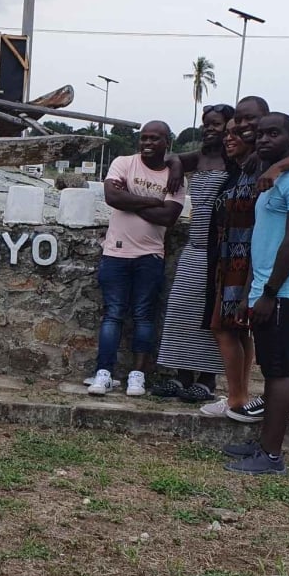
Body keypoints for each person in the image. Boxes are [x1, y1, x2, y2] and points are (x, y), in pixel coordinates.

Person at [226, 111, 289, 476]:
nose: (265, 139)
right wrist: (250, 292)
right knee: (272, 370)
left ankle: (271, 456)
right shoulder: (273, 181)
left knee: (279, 373)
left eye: (274, 134)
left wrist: (269, 293)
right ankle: (264, 443)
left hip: (284, 291)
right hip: (265, 289)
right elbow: (262, 241)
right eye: (261, 134)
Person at [87, 121, 184, 397]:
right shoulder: (124, 162)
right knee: (112, 315)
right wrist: (152, 201)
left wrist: (131, 199)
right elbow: (111, 196)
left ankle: (137, 376)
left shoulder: (174, 176)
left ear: (167, 142)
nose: (148, 143)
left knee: (144, 317)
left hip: (150, 255)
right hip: (115, 253)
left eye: (155, 139)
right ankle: (103, 373)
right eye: (144, 138)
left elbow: (169, 217)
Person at [147, 104, 232, 402]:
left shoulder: (236, 159)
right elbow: (169, 157)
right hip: (194, 247)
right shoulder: (201, 157)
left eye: (217, 124)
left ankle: (208, 380)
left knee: (210, 317)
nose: (210, 129)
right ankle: (182, 377)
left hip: (220, 251)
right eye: (206, 124)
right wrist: (180, 167)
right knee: (181, 311)